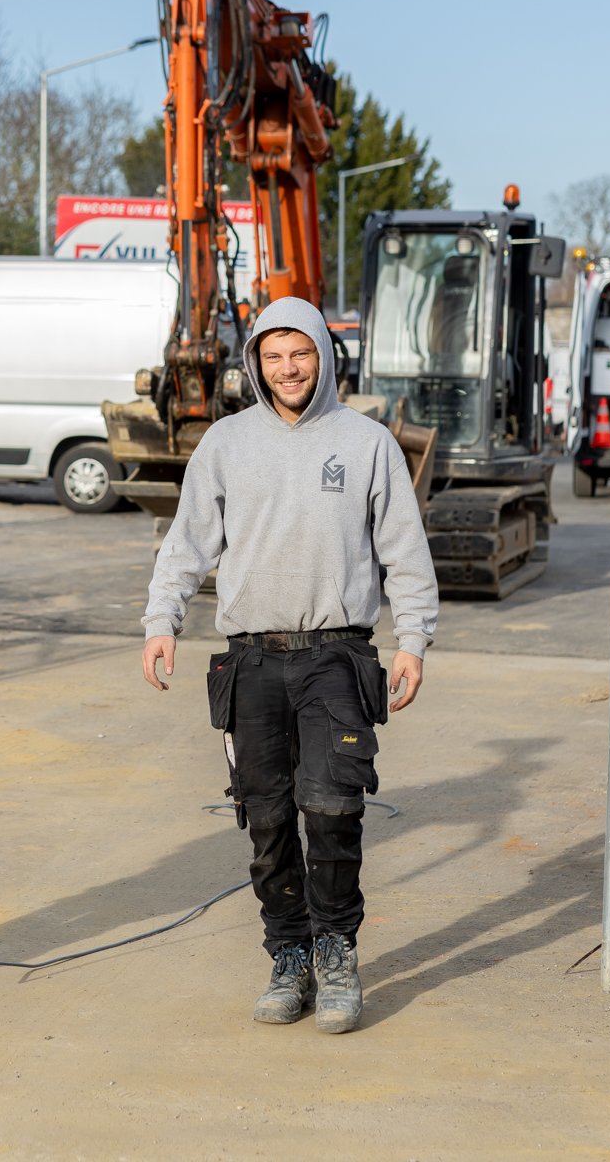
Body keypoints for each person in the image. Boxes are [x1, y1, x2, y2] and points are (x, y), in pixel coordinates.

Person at [139, 296, 438, 1034]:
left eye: (299, 353)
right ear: (256, 364)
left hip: (336, 655)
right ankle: (289, 956)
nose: (288, 368)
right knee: (266, 818)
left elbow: (404, 548)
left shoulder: (367, 443)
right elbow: (187, 543)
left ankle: (336, 951)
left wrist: (414, 639)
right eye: (272, 356)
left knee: (333, 812)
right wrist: (161, 621)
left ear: (322, 355)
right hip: (252, 662)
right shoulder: (226, 444)